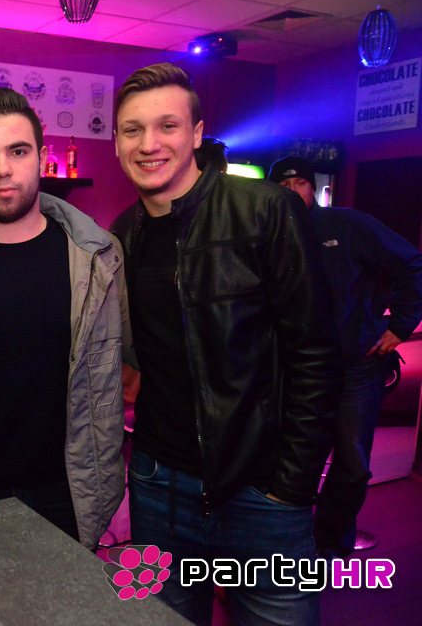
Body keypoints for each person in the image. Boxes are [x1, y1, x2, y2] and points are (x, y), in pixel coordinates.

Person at [109, 63, 339, 626]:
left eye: (167, 126)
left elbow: (316, 353)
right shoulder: (122, 234)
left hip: (260, 489)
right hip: (159, 486)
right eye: (133, 129)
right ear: (116, 142)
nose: (149, 143)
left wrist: (292, 483)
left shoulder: (265, 210)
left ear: (195, 133)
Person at [0, 87, 128, 549]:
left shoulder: (99, 258)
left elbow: (127, 364)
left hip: (71, 494)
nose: (3, 169)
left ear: (41, 156)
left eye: (18, 151)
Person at [268, 156, 422, 559]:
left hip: (355, 366)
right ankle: (293, 540)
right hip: (295, 368)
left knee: (352, 464)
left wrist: (400, 326)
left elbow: (412, 263)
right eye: (283, 185)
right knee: (293, 457)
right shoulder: (268, 232)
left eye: (300, 183)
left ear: (313, 187)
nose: (292, 191)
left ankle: (331, 544)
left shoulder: (348, 224)